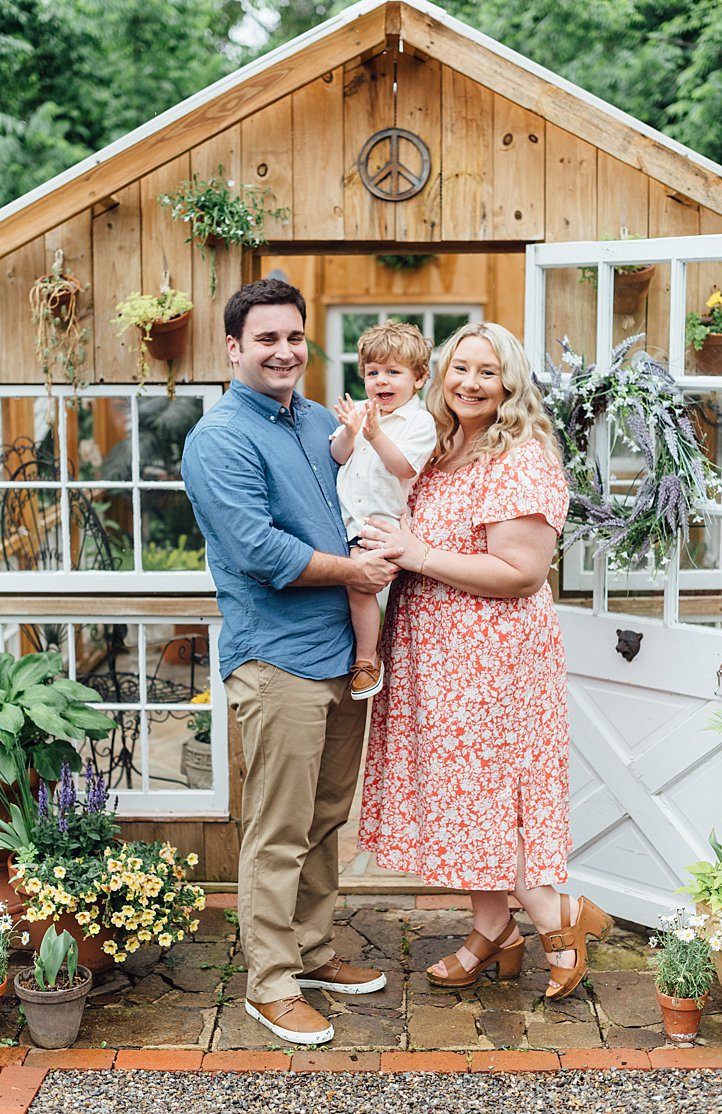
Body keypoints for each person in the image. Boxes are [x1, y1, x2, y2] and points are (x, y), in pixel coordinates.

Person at [357, 321, 611, 998]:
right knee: (461, 799)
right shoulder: (439, 445)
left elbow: (522, 572)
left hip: (491, 661)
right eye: (460, 368)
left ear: (510, 385)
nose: (470, 383)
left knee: (492, 798)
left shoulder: (520, 455)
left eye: (487, 373)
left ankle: (560, 918)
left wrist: (417, 555)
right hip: (433, 654)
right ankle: (493, 934)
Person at [181, 278, 398, 1046]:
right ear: (235, 348)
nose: (284, 351)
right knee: (277, 829)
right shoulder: (220, 439)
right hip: (277, 660)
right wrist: (358, 574)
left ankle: (309, 952)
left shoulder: (317, 421)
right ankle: (268, 984)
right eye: (266, 338)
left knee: (325, 817)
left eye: (294, 337)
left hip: (344, 656)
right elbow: (258, 551)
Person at [329, 322, 439, 700]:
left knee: (360, 586)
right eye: (373, 372)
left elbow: (405, 468)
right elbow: (338, 456)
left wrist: (374, 434)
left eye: (394, 372)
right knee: (344, 587)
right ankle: (356, 649)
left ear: (420, 378)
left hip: (382, 525)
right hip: (345, 520)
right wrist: (348, 430)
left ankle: (367, 658)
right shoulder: (360, 412)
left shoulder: (419, 423)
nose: (381, 381)